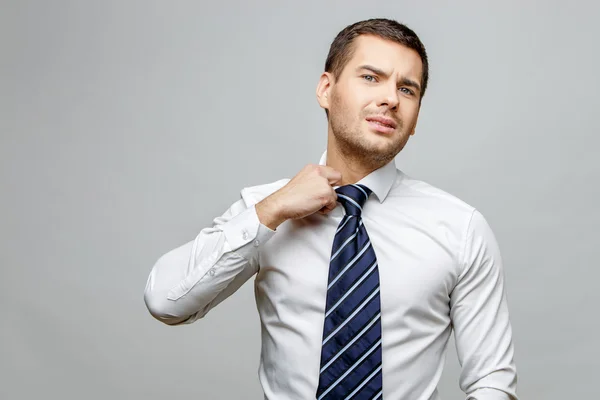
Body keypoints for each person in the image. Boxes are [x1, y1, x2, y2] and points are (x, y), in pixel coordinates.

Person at [144, 18, 518, 400]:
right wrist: (270, 211)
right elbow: (165, 301)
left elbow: (491, 382)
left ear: (416, 115)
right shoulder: (266, 208)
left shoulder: (460, 228)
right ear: (326, 89)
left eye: (407, 89)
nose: (391, 98)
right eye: (371, 77)